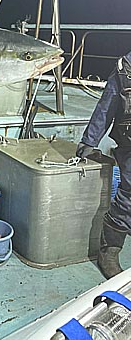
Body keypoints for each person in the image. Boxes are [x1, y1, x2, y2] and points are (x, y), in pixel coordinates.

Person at [76, 51, 131, 279]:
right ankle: (109, 251)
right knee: (129, 191)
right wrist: (89, 142)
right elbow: (106, 107)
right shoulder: (125, 69)